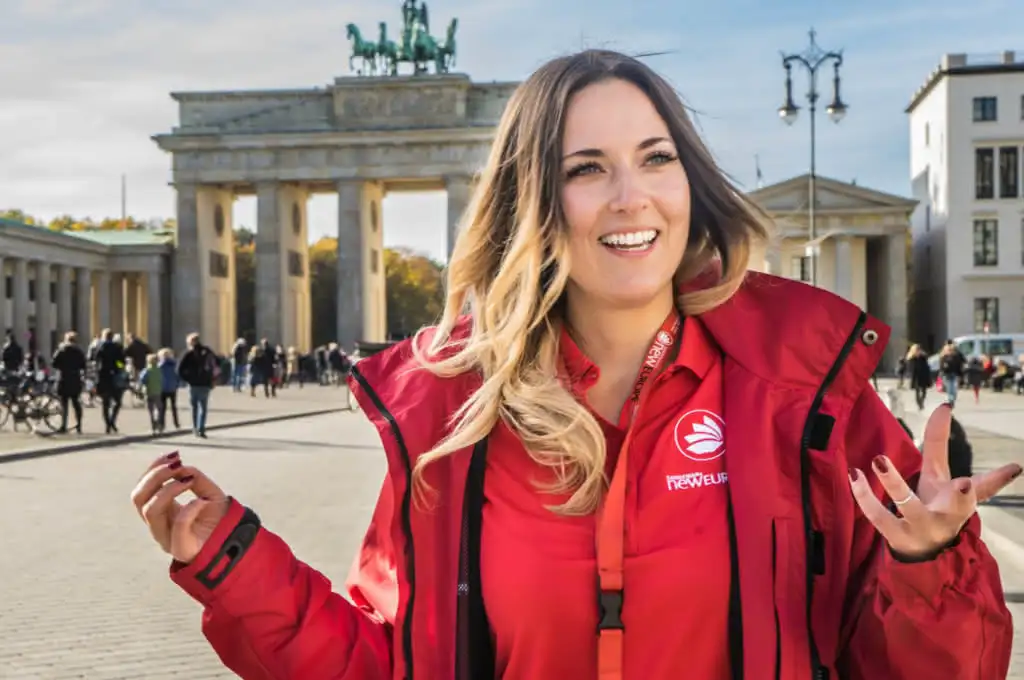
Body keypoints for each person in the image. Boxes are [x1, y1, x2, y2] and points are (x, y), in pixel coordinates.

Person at [132, 50, 1017, 679]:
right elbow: (388, 663)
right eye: (587, 168)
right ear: (533, 203)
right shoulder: (451, 425)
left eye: (656, 159)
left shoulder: (807, 399)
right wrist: (236, 565)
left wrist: (932, 566)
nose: (631, 196)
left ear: (689, 183)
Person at [177, 333, 216, 438]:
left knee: (194, 407)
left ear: (190, 342)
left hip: (193, 384)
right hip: (205, 383)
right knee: (203, 407)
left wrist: (187, 379)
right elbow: (217, 363)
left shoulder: (188, 354)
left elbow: (179, 369)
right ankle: (201, 428)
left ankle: (195, 428)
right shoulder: (207, 351)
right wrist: (212, 378)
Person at [51, 330, 86, 434]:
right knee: (76, 403)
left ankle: (63, 425)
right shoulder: (79, 351)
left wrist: (61, 367)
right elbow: (83, 365)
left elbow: (54, 363)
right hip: (75, 379)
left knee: (64, 404)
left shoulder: (61, 350)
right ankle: (79, 425)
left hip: (63, 378)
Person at [95, 328, 127, 434]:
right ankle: (112, 421)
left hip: (103, 377)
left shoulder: (99, 346)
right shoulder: (117, 347)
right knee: (117, 402)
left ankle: (108, 425)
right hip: (114, 377)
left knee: (105, 403)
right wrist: (118, 368)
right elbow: (122, 362)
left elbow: (94, 359)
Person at [138, 353, 164, 434]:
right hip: (158, 391)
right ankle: (159, 425)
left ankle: (153, 427)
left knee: (151, 410)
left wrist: (139, 390)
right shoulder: (159, 370)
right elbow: (162, 380)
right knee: (159, 409)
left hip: (149, 392)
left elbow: (142, 381)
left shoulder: (146, 370)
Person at [158, 348, 181, 431]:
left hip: (163, 388)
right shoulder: (174, 364)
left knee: (162, 408)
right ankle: (176, 423)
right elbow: (178, 376)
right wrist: (177, 384)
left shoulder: (160, 366)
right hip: (172, 388)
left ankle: (161, 424)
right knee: (174, 407)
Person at [938, 339, 966, 406]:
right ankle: (950, 402)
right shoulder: (943, 356)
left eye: (952, 350)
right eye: (949, 350)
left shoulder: (957, 355)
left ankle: (951, 401)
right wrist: (944, 368)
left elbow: (962, 362)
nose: (950, 351)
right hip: (947, 375)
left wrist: (961, 374)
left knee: (954, 391)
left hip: (955, 375)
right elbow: (941, 367)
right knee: (950, 390)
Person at [906, 343, 931, 411]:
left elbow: (927, 367)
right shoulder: (911, 359)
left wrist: (929, 377)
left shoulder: (923, 358)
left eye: (919, 350)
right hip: (916, 377)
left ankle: (922, 401)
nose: (918, 351)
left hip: (923, 376)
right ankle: (920, 404)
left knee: (924, 392)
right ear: (914, 351)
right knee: (917, 391)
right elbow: (910, 369)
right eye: (916, 350)